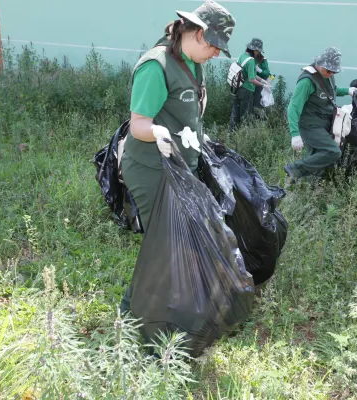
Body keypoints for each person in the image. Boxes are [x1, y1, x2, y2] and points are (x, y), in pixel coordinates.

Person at [119, 0, 236, 314]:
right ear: (198, 34)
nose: (216, 53)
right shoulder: (155, 66)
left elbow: (187, 113)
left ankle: (165, 308)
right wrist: (161, 133)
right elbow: (139, 124)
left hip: (180, 166)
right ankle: (134, 316)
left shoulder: (193, 64)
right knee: (167, 244)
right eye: (214, 46)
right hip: (150, 168)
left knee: (179, 241)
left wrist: (199, 137)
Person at [283, 47, 357, 185]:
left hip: (324, 121)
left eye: (334, 71)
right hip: (310, 125)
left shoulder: (327, 77)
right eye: (328, 70)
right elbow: (293, 107)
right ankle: (294, 169)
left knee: (316, 156)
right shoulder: (307, 81)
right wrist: (295, 134)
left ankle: (306, 186)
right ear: (320, 63)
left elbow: (331, 92)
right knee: (333, 151)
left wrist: (348, 91)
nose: (330, 73)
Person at [229, 38, 270, 130]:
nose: (259, 53)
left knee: (235, 113)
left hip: (236, 87)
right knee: (245, 114)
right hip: (246, 90)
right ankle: (243, 135)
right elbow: (251, 79)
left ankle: (231, 134)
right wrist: (263, 85)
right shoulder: (251, 61)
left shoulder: (242, 56)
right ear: (255, 50)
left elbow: (252, 75)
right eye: (259, 51)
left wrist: (263, 81)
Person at [253, 45, 274, 117]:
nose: (257, 53)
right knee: (252, 103)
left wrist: (259, 70)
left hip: (261, 84)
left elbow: (266, 73)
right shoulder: (250, 59)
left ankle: (261, 119)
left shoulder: (263, 60)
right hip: (251, 84)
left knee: (260, 102)